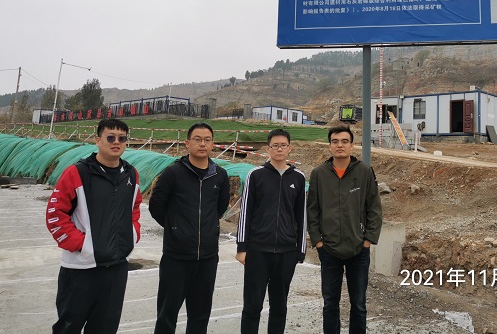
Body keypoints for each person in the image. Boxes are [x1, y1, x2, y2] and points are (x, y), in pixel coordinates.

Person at [46, 118, 142, 334]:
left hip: (116, 268)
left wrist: (133, 233)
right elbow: (55, 214)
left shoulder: (131, 174)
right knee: (68, 327)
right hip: (81, 269)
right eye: (110, 137)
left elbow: (135, 208)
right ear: (98, 140)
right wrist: (83, 245)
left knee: (105, 328)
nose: (116, 142)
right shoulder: (77, 173)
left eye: (122, 138)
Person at [149, 122, 230, 334]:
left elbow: (220, 207)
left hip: (207, 258)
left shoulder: (220, 175)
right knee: (167, 314)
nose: (202, 144)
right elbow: (156, 206)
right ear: (187, 143)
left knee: (200, 315)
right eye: (197, 139)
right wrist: (176, 228)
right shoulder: (173, 173)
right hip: (176, 257)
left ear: (212, 144)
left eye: (207, 140)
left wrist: (207, 228)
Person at [307, 125, 382, 334]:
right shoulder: (319, 174)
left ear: (352, 145)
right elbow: (312, 210)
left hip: (358, 249)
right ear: (329, 146)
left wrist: (368, 240)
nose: (340, 145)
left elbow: (374, 208)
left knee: (358, 304)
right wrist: (318, 241)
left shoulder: (364, 172)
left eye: (344, 141)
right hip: (329, 250)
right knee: (330, 303)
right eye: (335, 141)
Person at [236, 128, 307, 333]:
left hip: (286, 252)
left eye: (283, 145)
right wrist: (242, 247)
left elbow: (301, 215)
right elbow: (245, 211)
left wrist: (300, 250)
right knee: (252, 306)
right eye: (275, 145)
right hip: (258, 250)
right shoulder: (255, 175)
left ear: (290, 148)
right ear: (268, 149)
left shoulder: (298, 178)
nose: (279, 149)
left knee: (279, 307)